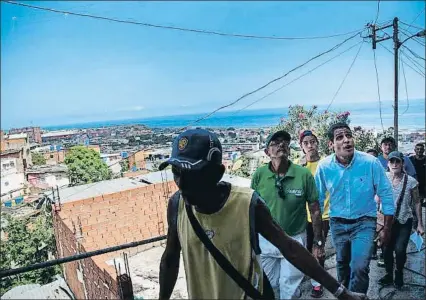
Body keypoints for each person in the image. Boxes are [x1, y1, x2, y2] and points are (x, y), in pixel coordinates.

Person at [158, 129, 366, 300]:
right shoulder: (177, 205)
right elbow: (170, 258)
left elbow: (290, 247)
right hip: (263, 253)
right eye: (177, 172)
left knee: (287, 289)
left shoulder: (247, 204)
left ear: (218, 173)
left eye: (194, 175)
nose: (182, 185)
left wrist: (340, 291)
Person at [315, 123, 394, 294]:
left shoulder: (370, 163)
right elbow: (317, 202)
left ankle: (356, 297)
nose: (346, 140)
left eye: (348, 135)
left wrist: (387, 228)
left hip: (365, 222)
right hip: (337, 223)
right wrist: (318, 236)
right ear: (331, 144)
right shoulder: (324, 167)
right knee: (342, 264)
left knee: (359, 267)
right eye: (339, 137)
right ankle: (345, 295)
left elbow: (387, 195)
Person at [251, 130, 324, 299]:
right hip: (266, 240)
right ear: (267, 152)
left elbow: (314, 208)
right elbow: (251, 207)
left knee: (288, 287)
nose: (281, 145)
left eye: (285, 142)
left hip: (294, 240)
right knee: (268, 285)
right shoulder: (259, 175)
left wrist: (318, 241)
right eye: (275, 143)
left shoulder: (303, 174)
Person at [379, 151, 425, 288]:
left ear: (402, 163)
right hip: (386, 222)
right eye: (392, 161)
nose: (394, 164)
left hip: (404, 220)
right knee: (386, 249)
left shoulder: (411, 181)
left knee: (400, 250)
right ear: (388, 164)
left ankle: (398, 272)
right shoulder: (383, 178)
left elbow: (417, 202)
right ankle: (388, 274)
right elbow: (375, 197)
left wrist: (420, 224)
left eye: (397, 161)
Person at [297, 129, 330, 298]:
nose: (310, 146)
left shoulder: (326, 164)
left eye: (313, 142)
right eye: (306, 143)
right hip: (303, 216)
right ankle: (310, 274)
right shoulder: (298, 166)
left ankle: (318, 283)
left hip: (323, 215)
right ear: (301, 147)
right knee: (304, 248)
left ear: (318, 143)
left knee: (318, 248)